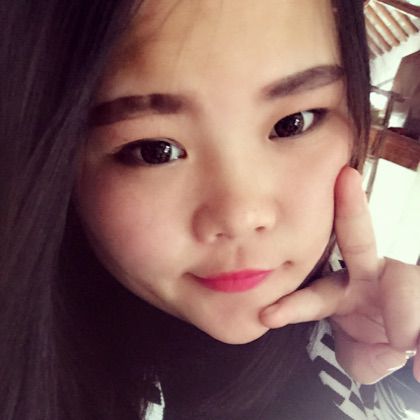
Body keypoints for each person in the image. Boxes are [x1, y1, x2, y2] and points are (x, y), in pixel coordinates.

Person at [1, 0, 419, 419]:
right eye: (155, 150)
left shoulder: (357, 313)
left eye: (293, 123)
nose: (242, 217)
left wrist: (401, 371)